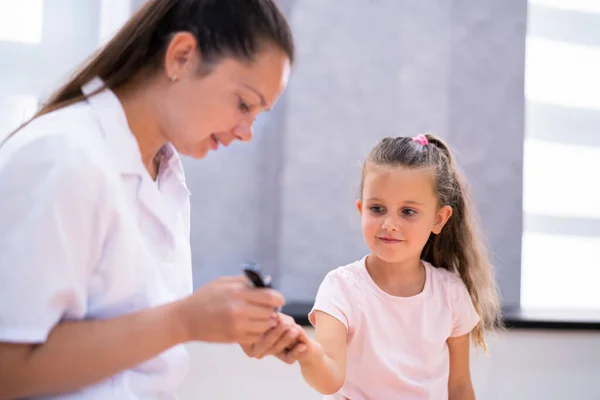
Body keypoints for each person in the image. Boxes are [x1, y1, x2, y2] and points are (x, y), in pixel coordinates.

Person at [0, 1, 305, 399]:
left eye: (257, 114)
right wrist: (184, 321)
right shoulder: (63, 156)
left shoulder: (165, 175)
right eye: (244, 104)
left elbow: (132, 338)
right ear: (181, 56)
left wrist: (228, 319)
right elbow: (9, 370)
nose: (246, 132)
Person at [283, 134, 503, 399]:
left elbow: (458, 387)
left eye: (408, 212)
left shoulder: (451, 293)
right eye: (377, 208)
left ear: (439, 218)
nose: (389, 224)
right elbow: (330, 380)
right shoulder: (340, 288)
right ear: (360, 209)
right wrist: (307, 354)